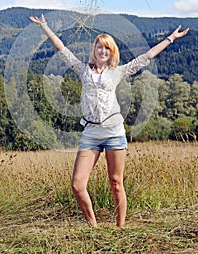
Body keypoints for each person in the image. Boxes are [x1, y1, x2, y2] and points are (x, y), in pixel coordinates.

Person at [29, 13, 189, 228]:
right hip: (91, 134)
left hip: (114, 132)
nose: (102, 51)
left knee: (116, 183)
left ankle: (120, 229)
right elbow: (62, 49)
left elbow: (146, 56)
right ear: (94, 50)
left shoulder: (117, 72)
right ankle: (93, 228)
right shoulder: (82, 69)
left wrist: (170, 38)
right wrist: (45, 27)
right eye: (99, 47)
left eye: (107, 48)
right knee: (77, 185)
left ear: (111, 52)